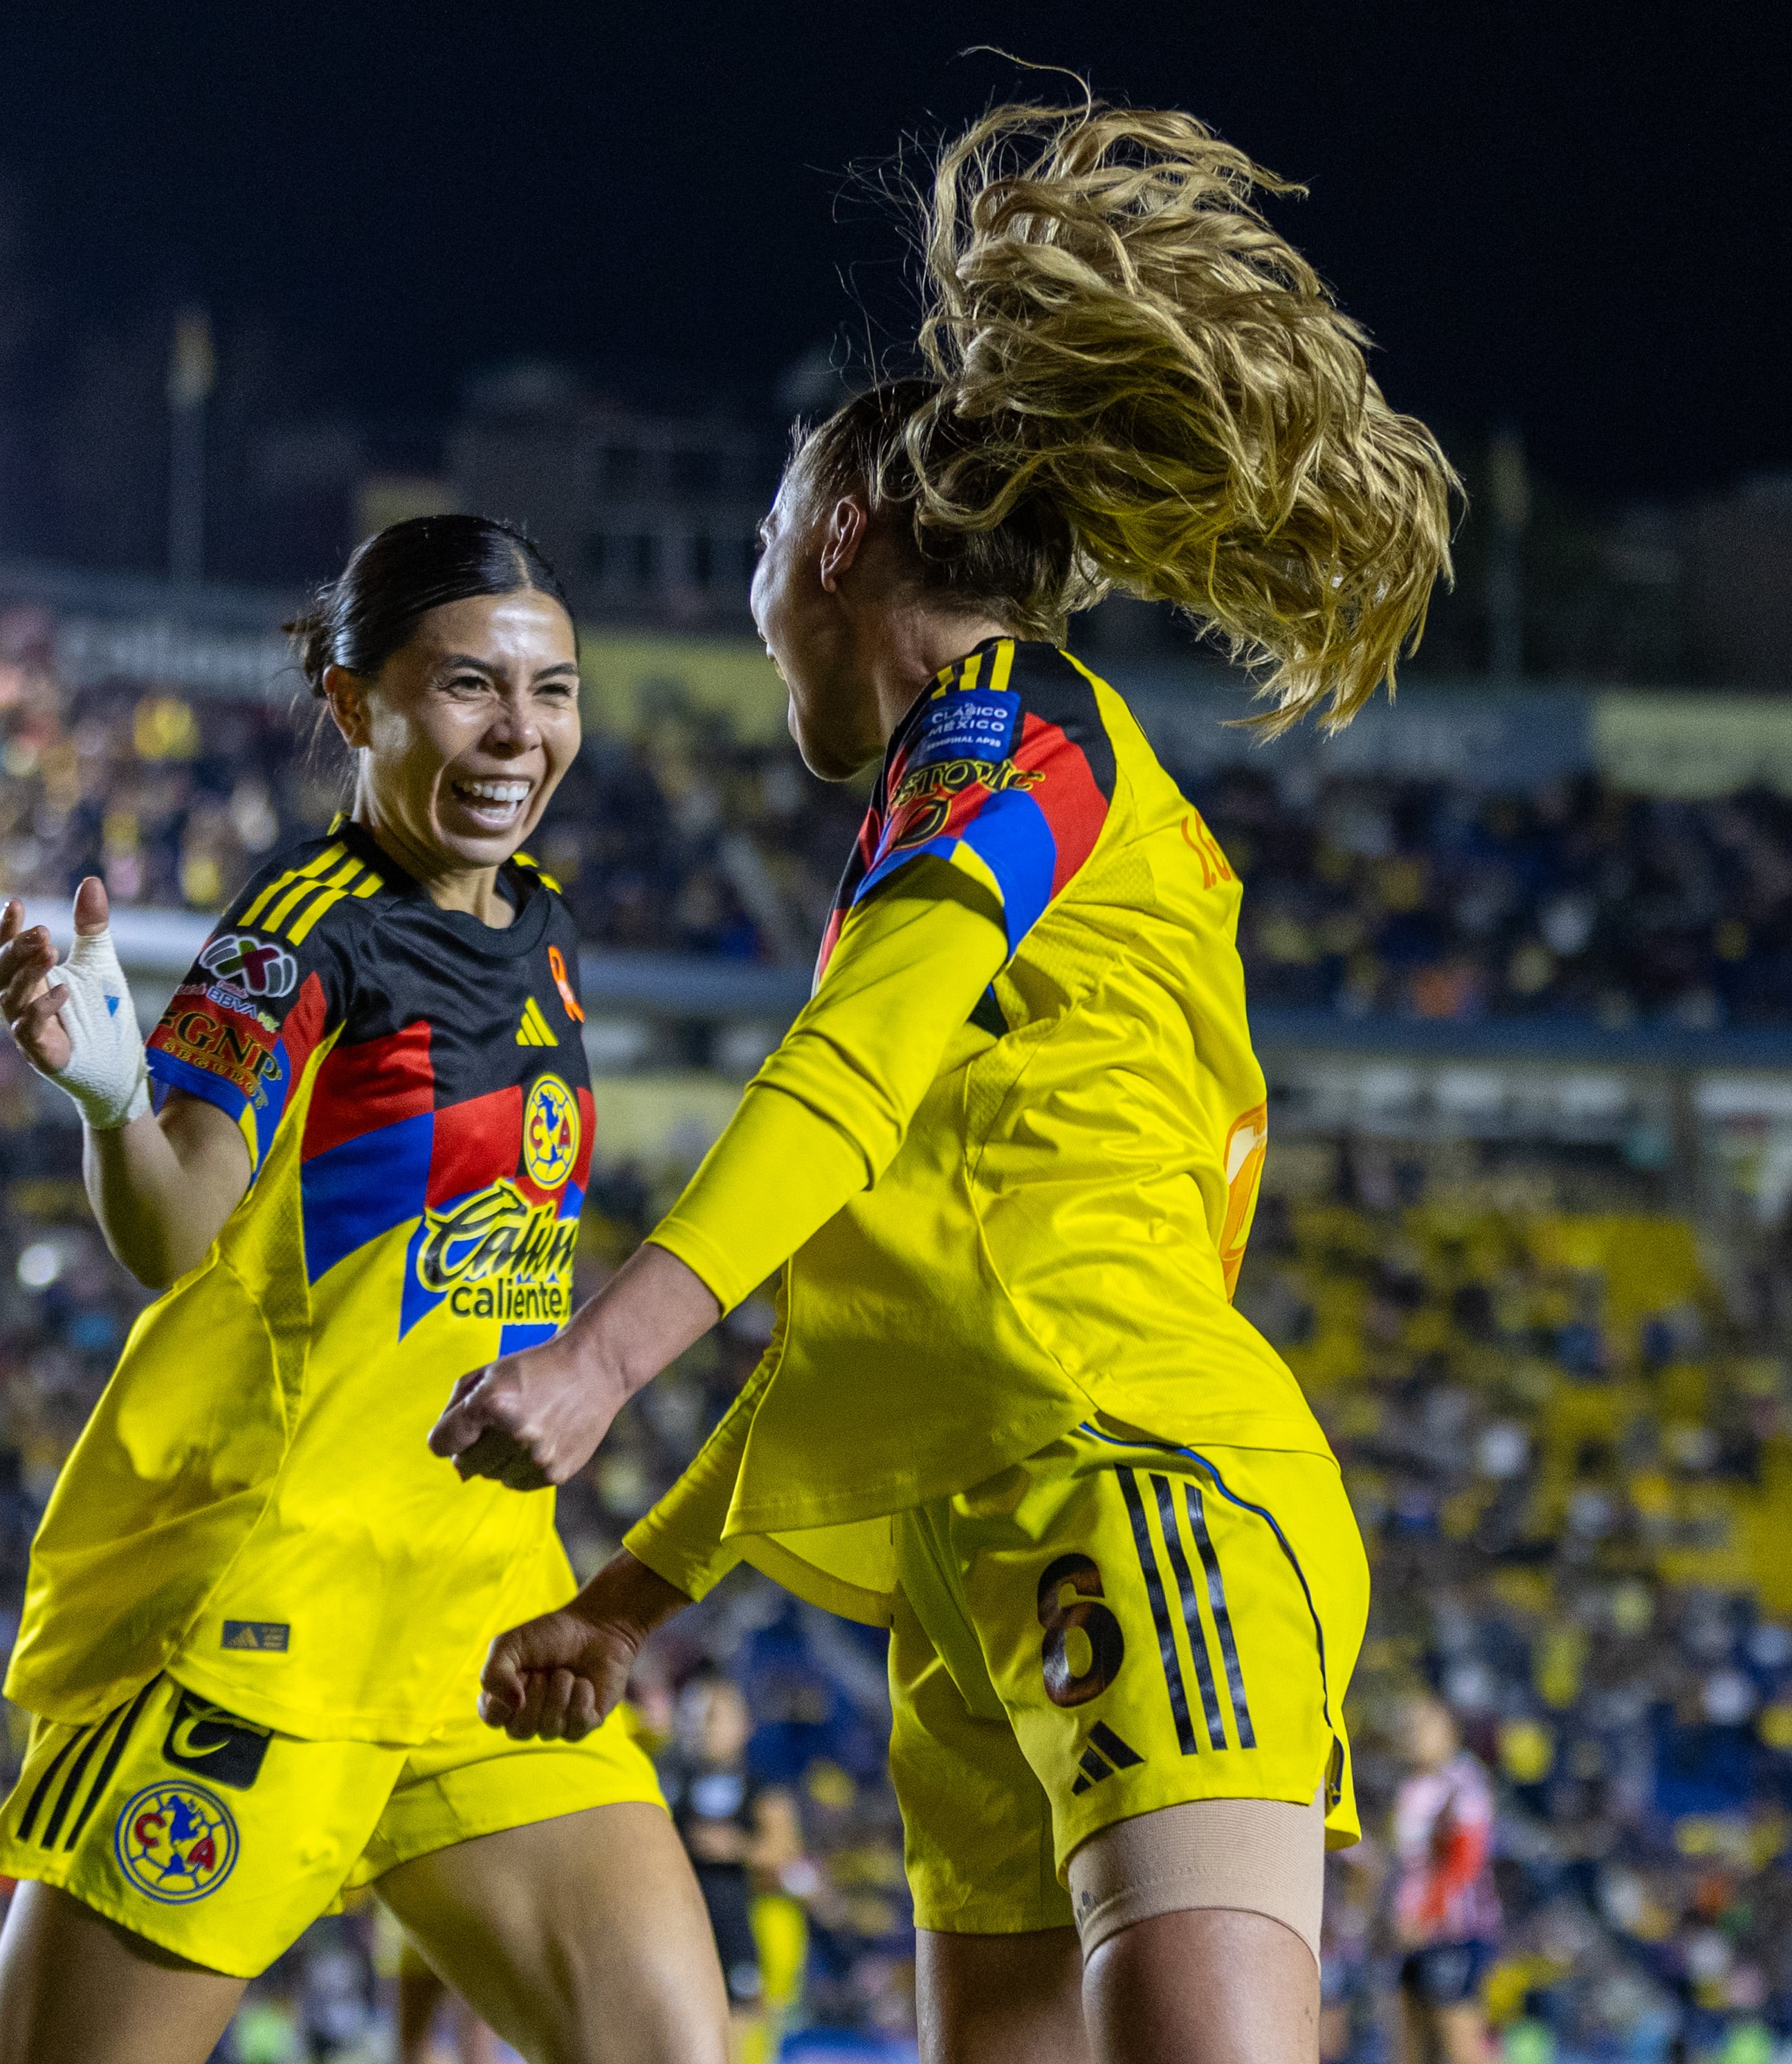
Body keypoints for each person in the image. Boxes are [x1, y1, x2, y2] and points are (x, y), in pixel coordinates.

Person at [430, 98, 1458, 2064]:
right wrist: (633, 1599)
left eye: (752, 547)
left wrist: (600, 1355)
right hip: (966, 1546)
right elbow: (871, 1301)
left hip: (1130, 1471)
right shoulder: (964, 781)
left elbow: (846, 1070)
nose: (748, 601)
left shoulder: (1019, 731)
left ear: (834, 537)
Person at [0, 515, 726, 2064]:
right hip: (278, 1618)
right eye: (469, 687)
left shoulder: (549, 930)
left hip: (482, 1626)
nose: (521, 732)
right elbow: (176, 1229)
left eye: (553, 690)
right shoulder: (300, 931)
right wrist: (118, 1100)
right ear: (352, 703)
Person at [665, 1675, 806, 2062]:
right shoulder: (666, 1778)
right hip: (678, 1927)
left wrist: (737, 1847)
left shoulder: (759, 1786)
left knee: (741, 2028)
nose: (699, 1727)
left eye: (711, 1716)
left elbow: (785, 1850)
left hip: (738, 1926)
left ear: (743, 1725)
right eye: (691, 1717)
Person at [1385, 1696, 1499, 2064]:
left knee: (1458, 2041)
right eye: (1409, 1726)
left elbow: (1464, 1863)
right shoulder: (1413, 1785)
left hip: (1454, 1930)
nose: (1413, 1734)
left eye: (1424, 1726)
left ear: (1449, 1730)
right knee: (1410, 2041)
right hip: (1413, 1930)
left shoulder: (1464, 1781)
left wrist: (1424, 1919)